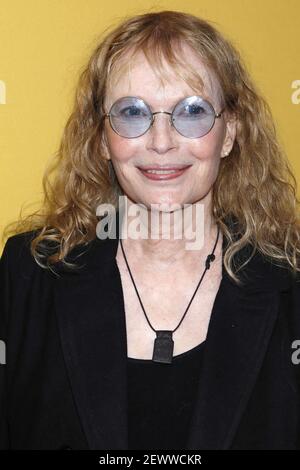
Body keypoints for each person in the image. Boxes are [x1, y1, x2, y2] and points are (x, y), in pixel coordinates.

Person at [0, 10, 300, 450]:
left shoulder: (291, 288)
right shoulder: (27, 279)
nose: (161, 142)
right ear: (102, 137)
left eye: (193, 111)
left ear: (230, 132)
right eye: (132, 112)